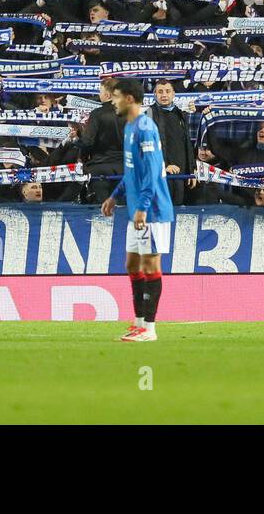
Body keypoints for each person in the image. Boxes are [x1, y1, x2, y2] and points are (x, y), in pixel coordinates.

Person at [101, 78, 174, 342]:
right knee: (132, 263)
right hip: (136, 209)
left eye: (117, 96)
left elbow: (153, 173)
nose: (112, 100)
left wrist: (143, 208)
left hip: (152, 210)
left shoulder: (145, 127)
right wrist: (114, 196)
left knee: (150, 263)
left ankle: (150, 329)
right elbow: (133, 171)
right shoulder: (130, 127)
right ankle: (139, 322)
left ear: (130, 98)